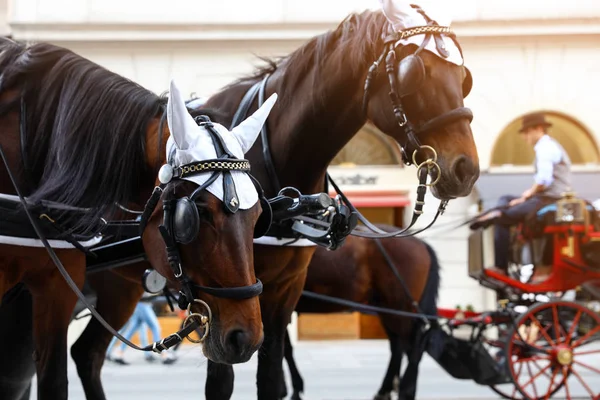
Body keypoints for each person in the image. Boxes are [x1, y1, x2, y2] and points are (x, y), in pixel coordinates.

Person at [471, 112, 572, 279]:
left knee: (504, 217)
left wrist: (526, 196)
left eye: (526, 132)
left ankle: (501, 265)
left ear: (539, 129)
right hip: (545, 198)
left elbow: (544, 181)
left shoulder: (545, 147)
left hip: (550, 200)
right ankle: (495, 212)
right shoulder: (547, 146)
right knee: (505, 199)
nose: (525, 137)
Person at [106, 294, 168, 364]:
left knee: (132, 329)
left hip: (138, 304)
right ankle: (164, 355)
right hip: (142, 303)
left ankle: (119, 353)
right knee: (155, 328)